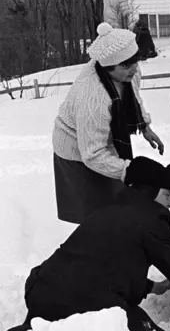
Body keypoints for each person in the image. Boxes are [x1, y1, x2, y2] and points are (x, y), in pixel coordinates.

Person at [0, 157, 170, 331]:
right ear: (150, 192)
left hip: (42, 292)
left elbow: (100, 266)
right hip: (77, 301)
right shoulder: (150, 219)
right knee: (136, 326)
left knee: (98, 296)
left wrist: (152, 287)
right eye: (167, 195)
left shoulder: (106, 212)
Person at [52, 21, 164, 224]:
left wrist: (144, 126)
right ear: (107, 67)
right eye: (125, 66)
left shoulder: (128, 71)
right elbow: (92, 154)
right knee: (95, 212)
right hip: (75, 149)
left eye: (135, 62)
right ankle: (93, 249)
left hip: (103, 138)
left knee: (116, 201)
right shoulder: (93, 97)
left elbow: (134, 96)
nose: (133, 69)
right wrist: (128, 171)